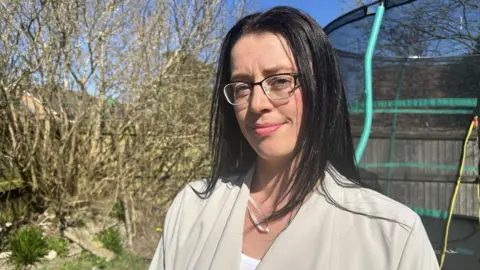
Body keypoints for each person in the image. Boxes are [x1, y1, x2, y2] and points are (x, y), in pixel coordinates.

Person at [149, 6, 440, 270]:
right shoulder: (193, 208)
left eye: (280, 81)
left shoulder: (392, 236)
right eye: (242, 87)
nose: (257, 104)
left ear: (322, 88)